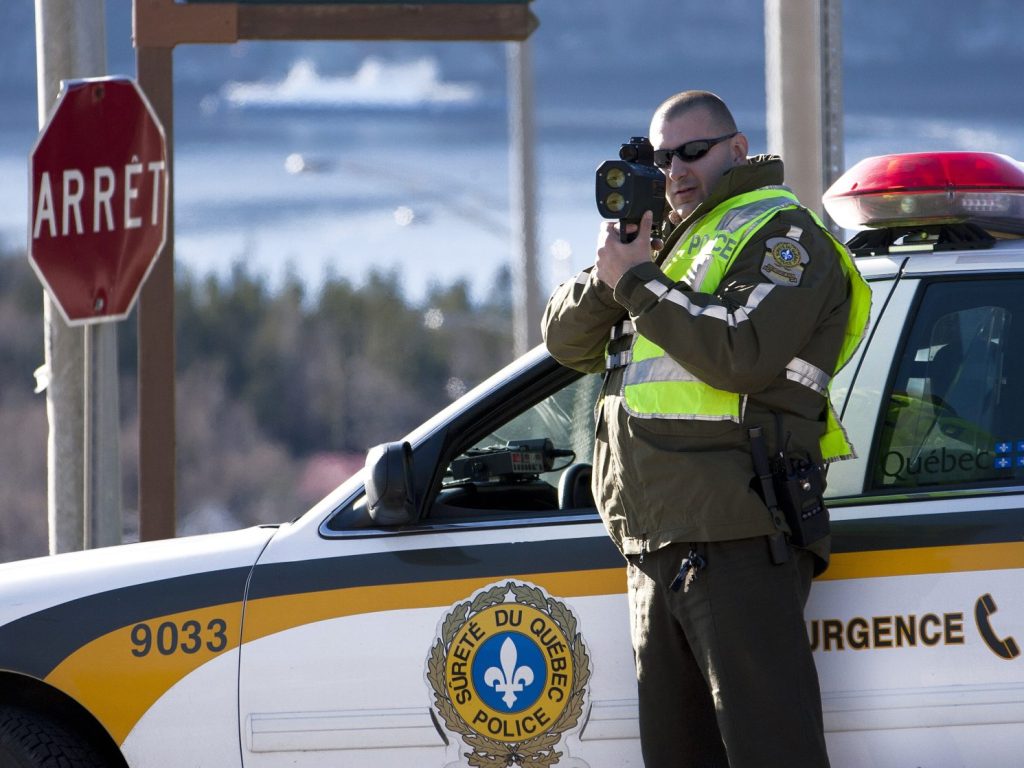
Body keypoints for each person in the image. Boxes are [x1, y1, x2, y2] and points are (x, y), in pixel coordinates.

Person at [541, 90, 870, 767]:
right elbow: (564, 342)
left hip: (736, 534)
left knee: (770, 750)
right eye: (661, 159)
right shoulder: (667, 243)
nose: (675, 172)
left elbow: (742, 352)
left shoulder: (783, 234)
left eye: (692, 153)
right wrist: (618, 262)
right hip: (656, 541)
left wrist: (637, 285)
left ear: (738, 149)